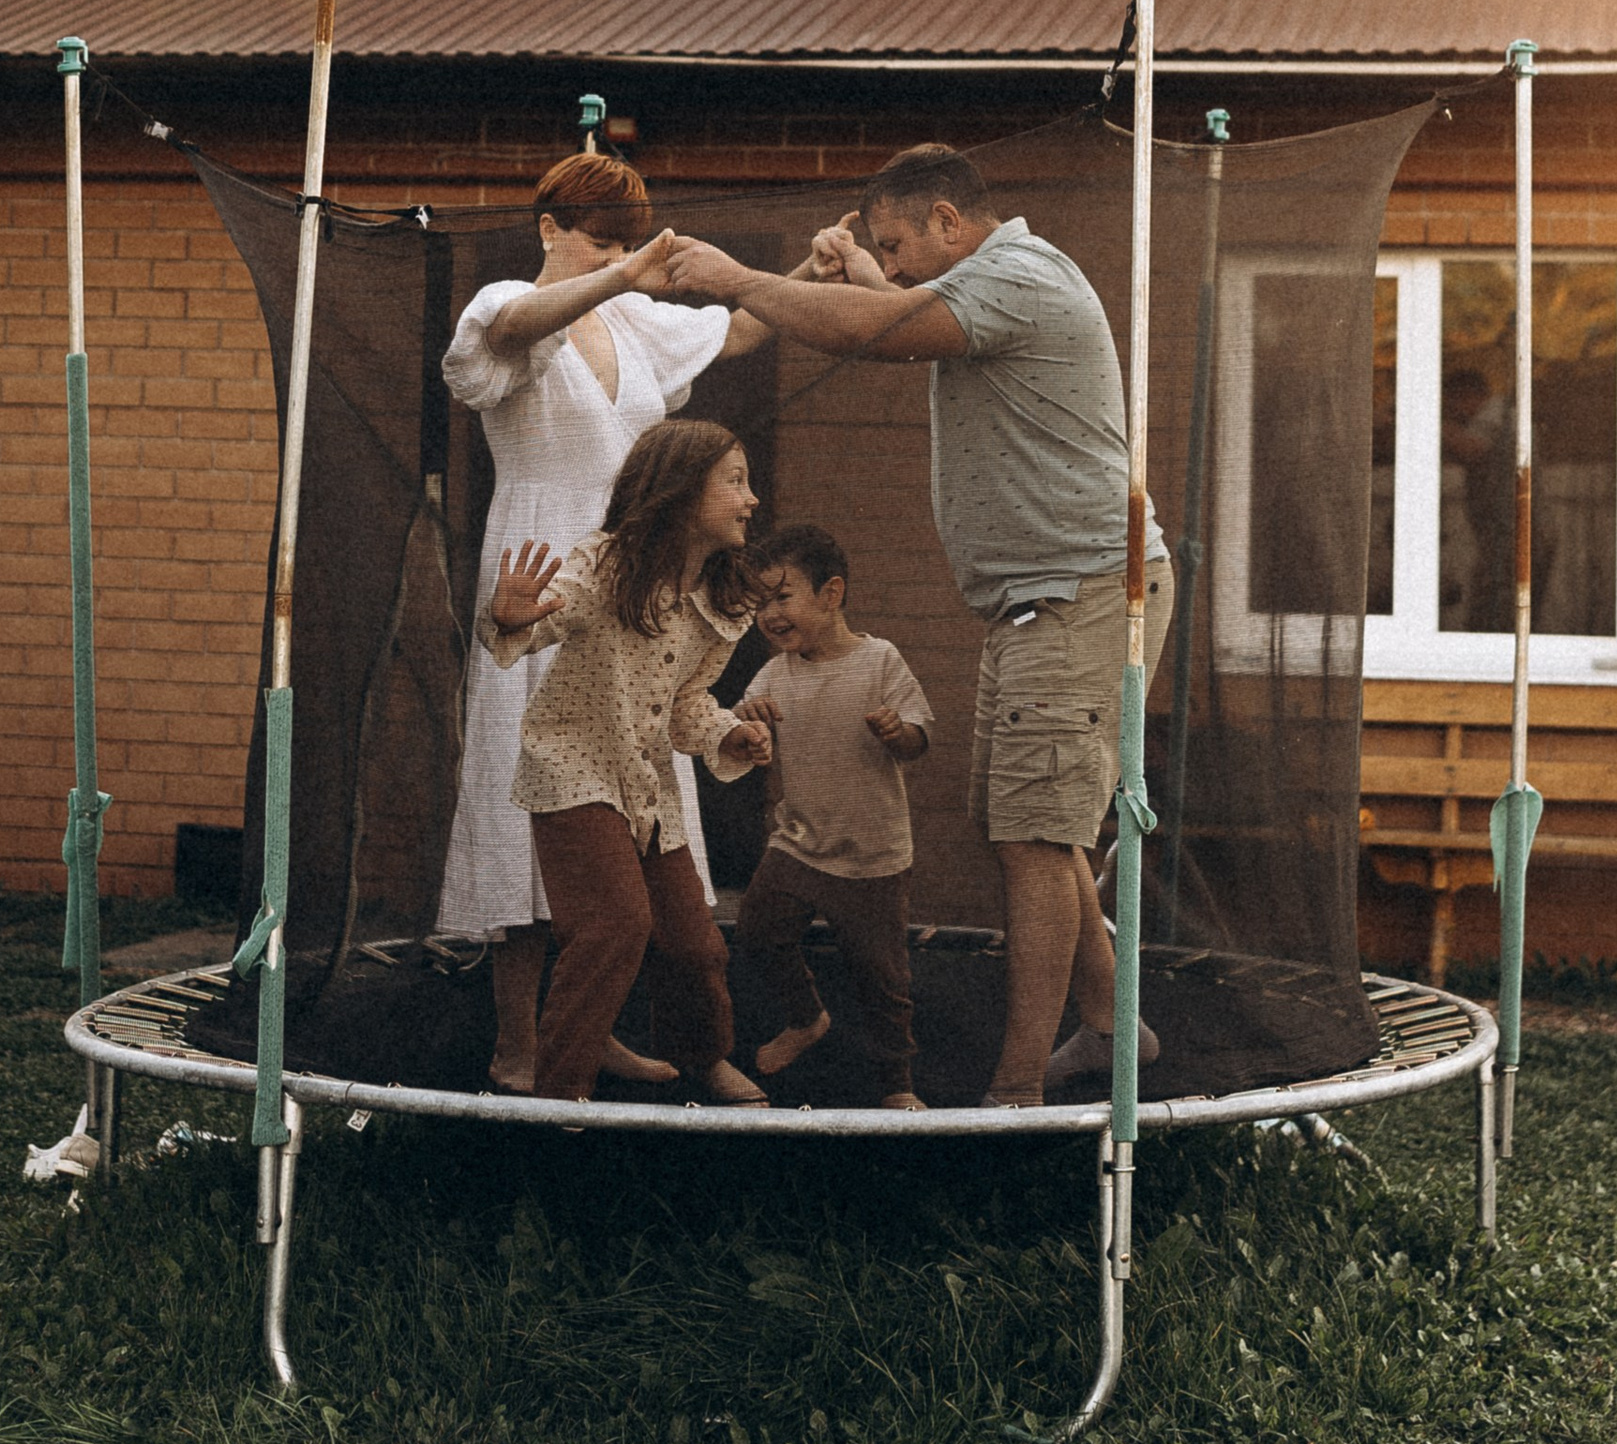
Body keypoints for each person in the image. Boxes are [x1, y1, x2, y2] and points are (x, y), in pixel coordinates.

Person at [661, 144, 1172, 1109]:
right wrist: (856, 279)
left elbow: (879, 334)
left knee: (1033, 836)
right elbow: (892, 315)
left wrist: (741, 279)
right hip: (1046, 599)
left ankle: (1016, 1089)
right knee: (1041, 832)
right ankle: (1114, 1030)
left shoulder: (1019, 276)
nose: (888, 266)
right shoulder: (991, 284)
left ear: (949, 220)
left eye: (895, 245)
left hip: (1077, 593)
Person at [438, 147, 762, 1094]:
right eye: (598, 237)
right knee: (525, 799)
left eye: (626, 239)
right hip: (539, 569)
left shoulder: (631, 317)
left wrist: (801, 282)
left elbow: (730, 331)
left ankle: (595, 1021)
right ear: (549, 228)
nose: (616, 256)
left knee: (634, 800)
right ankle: (517, 1043)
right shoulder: (511, 303)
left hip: (633, 585)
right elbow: (498, 340)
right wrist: (619, 271)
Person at [483, 416, 775, 1103]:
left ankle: (701, 1057)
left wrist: (727, 734)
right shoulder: (607, 566)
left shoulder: (719, 598)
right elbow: (542, 622)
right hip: (572, 768)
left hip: (645, 784)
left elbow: (687, 702)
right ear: (680, 489)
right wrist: (512, 616)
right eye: (734, 481)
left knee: (694, 943)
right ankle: (562, 1094)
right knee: (615, 923)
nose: (751, 498)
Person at [731, 523, 932, 1109]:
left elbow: (919, 739)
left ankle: (897, 1085)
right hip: (797, 842)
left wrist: (900, 733)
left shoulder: (879, 661)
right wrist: (748, 723)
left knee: (883, 978)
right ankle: (807, 1018)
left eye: (781, 597)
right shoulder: (773, 673)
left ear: (831, 593)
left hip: (872, 852)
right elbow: (740, 731)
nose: (769, 615)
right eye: (760, 604)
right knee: (759, 934)